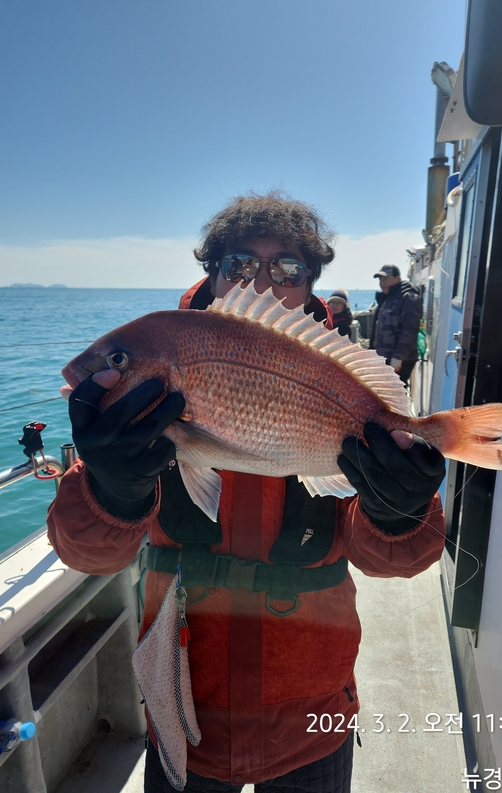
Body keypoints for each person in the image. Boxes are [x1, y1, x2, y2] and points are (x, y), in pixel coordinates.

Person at [47, 193, 446, 793]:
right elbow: (88, 555)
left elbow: (398, 561)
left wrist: (401, 510)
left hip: (314, 715)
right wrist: (111, 486)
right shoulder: (157, 369)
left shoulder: (339, 376)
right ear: (212, 273)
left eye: (287, 269)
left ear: (311, 282)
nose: (262, 282)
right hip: (185, 705)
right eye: (238, 265)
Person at [370, 264, 422, 386]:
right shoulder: (389, 298)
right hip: (385, 357)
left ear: (397, 278)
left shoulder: (408, 298)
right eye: (381, 280)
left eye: (386, 279)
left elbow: (410, 330)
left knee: (395, 391)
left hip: (399, 359)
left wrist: (398, 357)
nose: (382, 282)